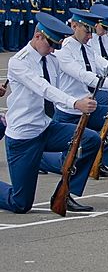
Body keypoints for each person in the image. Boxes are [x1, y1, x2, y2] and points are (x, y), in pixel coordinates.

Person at [0, 13, 100, 214]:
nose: (53, 49)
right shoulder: (19, 62)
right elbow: (44, 88)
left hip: (46, 128)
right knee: (20, 203)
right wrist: (75, 103)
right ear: (38, 36)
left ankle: (67, 191)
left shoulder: (51, 60)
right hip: (24, 137)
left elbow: (66, 83)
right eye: (51, 44)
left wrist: (85, 96)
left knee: (90, 140)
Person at [54, 8, 108, 177]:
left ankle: (100, 161)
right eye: (87, 31)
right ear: (74, 26)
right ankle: (43, 160)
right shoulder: (64, 50)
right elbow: (83, 75)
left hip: (87, 106)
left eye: (91, 31)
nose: (91, 36)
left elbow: (98, 62)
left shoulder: (85, 46)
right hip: (69, 111)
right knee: (65, 162)